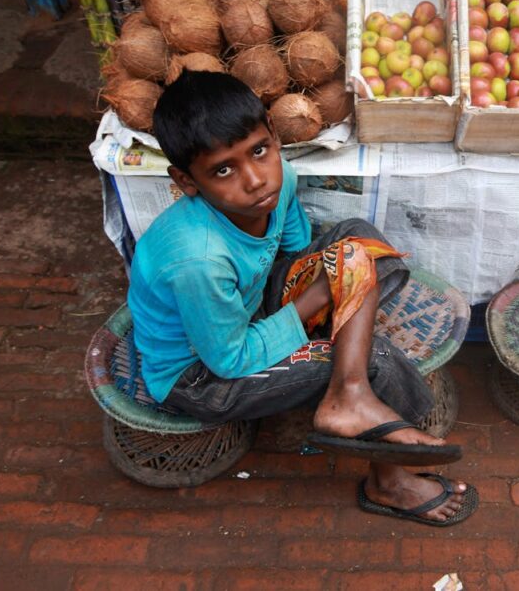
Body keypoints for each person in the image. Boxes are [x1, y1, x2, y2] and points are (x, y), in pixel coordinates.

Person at [127, 71, 477, 526]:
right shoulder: (199, 260)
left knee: (358, 240)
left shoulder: (280, 180)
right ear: (187, 181)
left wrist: (331, 277)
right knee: (376, 358)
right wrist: (318, 297)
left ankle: (348, 391)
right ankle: (387, 480)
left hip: (253, 309)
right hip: (199, 375)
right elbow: (229, 360)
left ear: (273, 138)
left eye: (259, 151)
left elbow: (290, 256)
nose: (255, 180)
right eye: (223, 170)